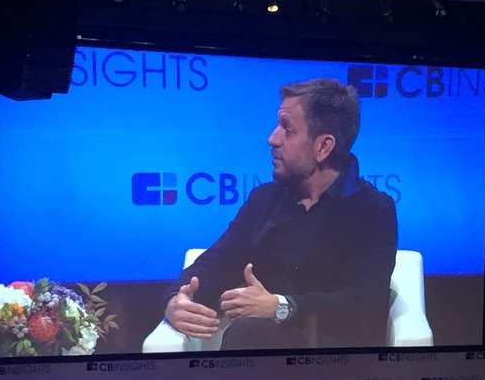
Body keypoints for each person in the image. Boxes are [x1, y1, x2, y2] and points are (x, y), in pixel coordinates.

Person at [162, 77, 397, 350]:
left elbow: (362, 303)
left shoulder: (373, 210)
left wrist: (281, 306)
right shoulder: (265, 200)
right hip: (262, 348)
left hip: (337, 357)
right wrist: (177, 299)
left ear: (323, 147)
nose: (272, 139)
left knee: (249, 332)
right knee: (249, 332)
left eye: (288, 130)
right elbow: (218, 261)